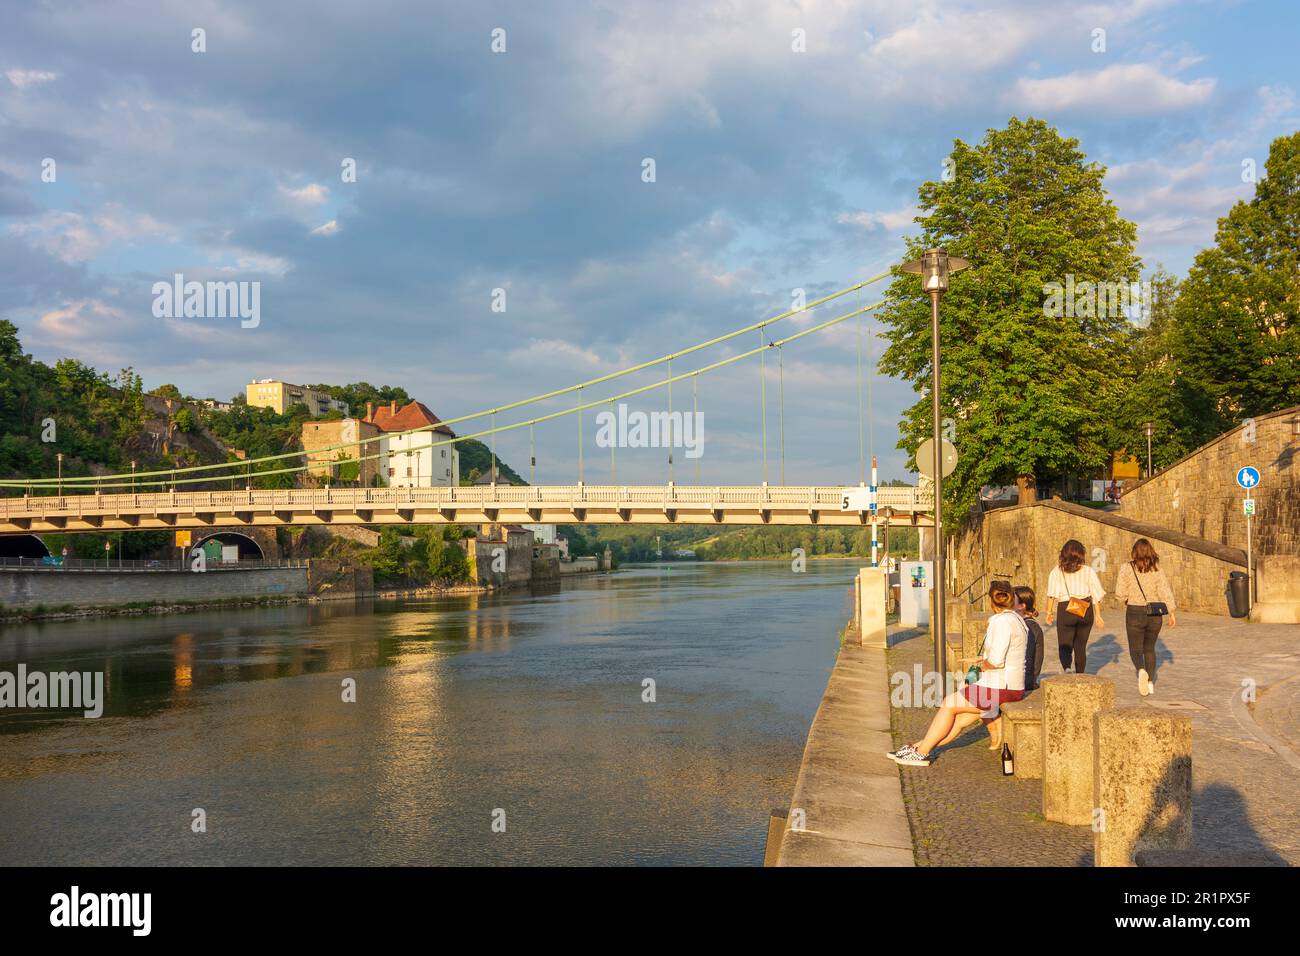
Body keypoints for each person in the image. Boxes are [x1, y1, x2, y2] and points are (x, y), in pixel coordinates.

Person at [887, 582, 1028, 767]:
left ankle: (921, 754)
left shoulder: (1001, 621)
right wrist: (979, 660)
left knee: (948, 704)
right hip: (1009, 685)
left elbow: (996, 661)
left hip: (1002, 687)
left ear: (992, 602)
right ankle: (917, 747)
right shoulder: (1016, 619)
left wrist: (984, 664)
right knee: (960, 720)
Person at [1113, 538, 1177, 696]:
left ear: (1134, 552)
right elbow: (1165, 590)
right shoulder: (1156, 568)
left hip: (1134, 611)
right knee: (1150, 649)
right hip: (1155, 613)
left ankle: (1141, 670)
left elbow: (1120, 593)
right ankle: (1150, 684)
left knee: (1135, 649)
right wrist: (1172, 612)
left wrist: (1126, 599)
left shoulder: (1127, 568)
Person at [1045, 539, 1105, 674]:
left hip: (1066, 608)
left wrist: (1049, 613)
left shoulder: (1057, 571)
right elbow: (1096, 595)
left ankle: (1067, 668)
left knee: (1065, 644)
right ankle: (1080, 674)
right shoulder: (1088, 571)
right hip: (1085, 608)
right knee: (1080, 646)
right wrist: (1098, 616)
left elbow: (1051, 595)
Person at [1014, 585, 1045, 691]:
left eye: (1012, 600)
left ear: (1021, 606)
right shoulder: (1024, 624)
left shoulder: (1029, 627)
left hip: (1024, 682)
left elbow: (1028, 660)